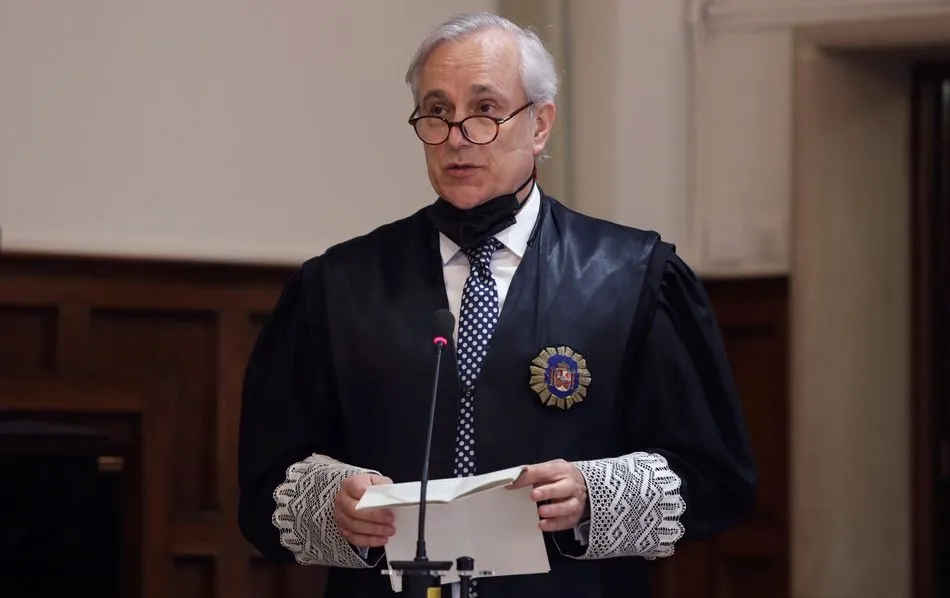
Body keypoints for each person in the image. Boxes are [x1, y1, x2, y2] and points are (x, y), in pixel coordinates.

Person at [237, 11, 756, 598]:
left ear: (540, 125)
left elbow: (715, 475)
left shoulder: (634, 276)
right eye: (437, 112)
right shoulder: (337, 286)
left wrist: (594, 494)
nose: (458, 136)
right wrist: (332, 505)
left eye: (485, 110)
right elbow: (263, 484)